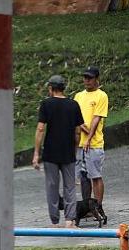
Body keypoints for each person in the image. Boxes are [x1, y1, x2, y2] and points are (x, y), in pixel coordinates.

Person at [32, 75, 85, 228]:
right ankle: (70, 220)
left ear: (51, 88)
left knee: (52, 186)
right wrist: (75, 148)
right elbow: (78, 132)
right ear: (63, 88)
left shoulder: (46, 104)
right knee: (70, 187)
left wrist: (36, 153)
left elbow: (41, 128)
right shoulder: (73, 105)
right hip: (68, 152)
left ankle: (55, 220)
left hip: (50, 153)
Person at [74, 66, 109, 224]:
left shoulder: (101, 96)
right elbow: (75, 117)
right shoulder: (78, 96)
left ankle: (98, 206)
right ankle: (87, 207)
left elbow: (96, 119)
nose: (86, 80)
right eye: (85, 77)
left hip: (94, 144)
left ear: (96, 79)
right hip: (80, 143)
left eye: (90, 78)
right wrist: (81, 130)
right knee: (83, 177)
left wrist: (88, 137)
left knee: (95, 176)